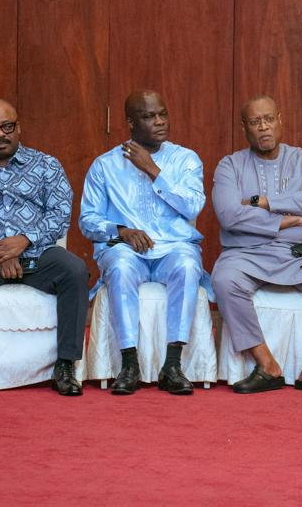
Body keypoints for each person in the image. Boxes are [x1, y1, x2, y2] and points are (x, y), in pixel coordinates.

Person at [211, 96, 302, 395]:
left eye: (268, 119)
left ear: (280, 120)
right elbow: (227, 214)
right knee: (224, 280)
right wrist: (282, 221)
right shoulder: (230, 165)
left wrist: (263, 202)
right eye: (254, 122)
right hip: (248, 254)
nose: (263, 127)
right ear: (244, 128)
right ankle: (267, 366)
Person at [0, 99, 89, 397]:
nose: (0, 134)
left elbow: (60, 213)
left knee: (75, 270)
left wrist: (24, 241)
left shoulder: (46, 165)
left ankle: (66, 364)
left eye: (7, 127)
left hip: (38, 254)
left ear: (18, 127)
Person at [79, 91, 210, 395]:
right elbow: (87, 220)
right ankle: (129, 365)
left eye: (162, 114)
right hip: (126, 249)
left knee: (189, 265)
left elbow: (193, 207)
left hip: (174, 246)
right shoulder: (105, 166)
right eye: (149, 117)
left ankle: (173, 365)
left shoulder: (185, 159)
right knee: (121, 267)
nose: (160, 122)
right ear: (130, 122)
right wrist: (121, 231)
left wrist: (153, 169)